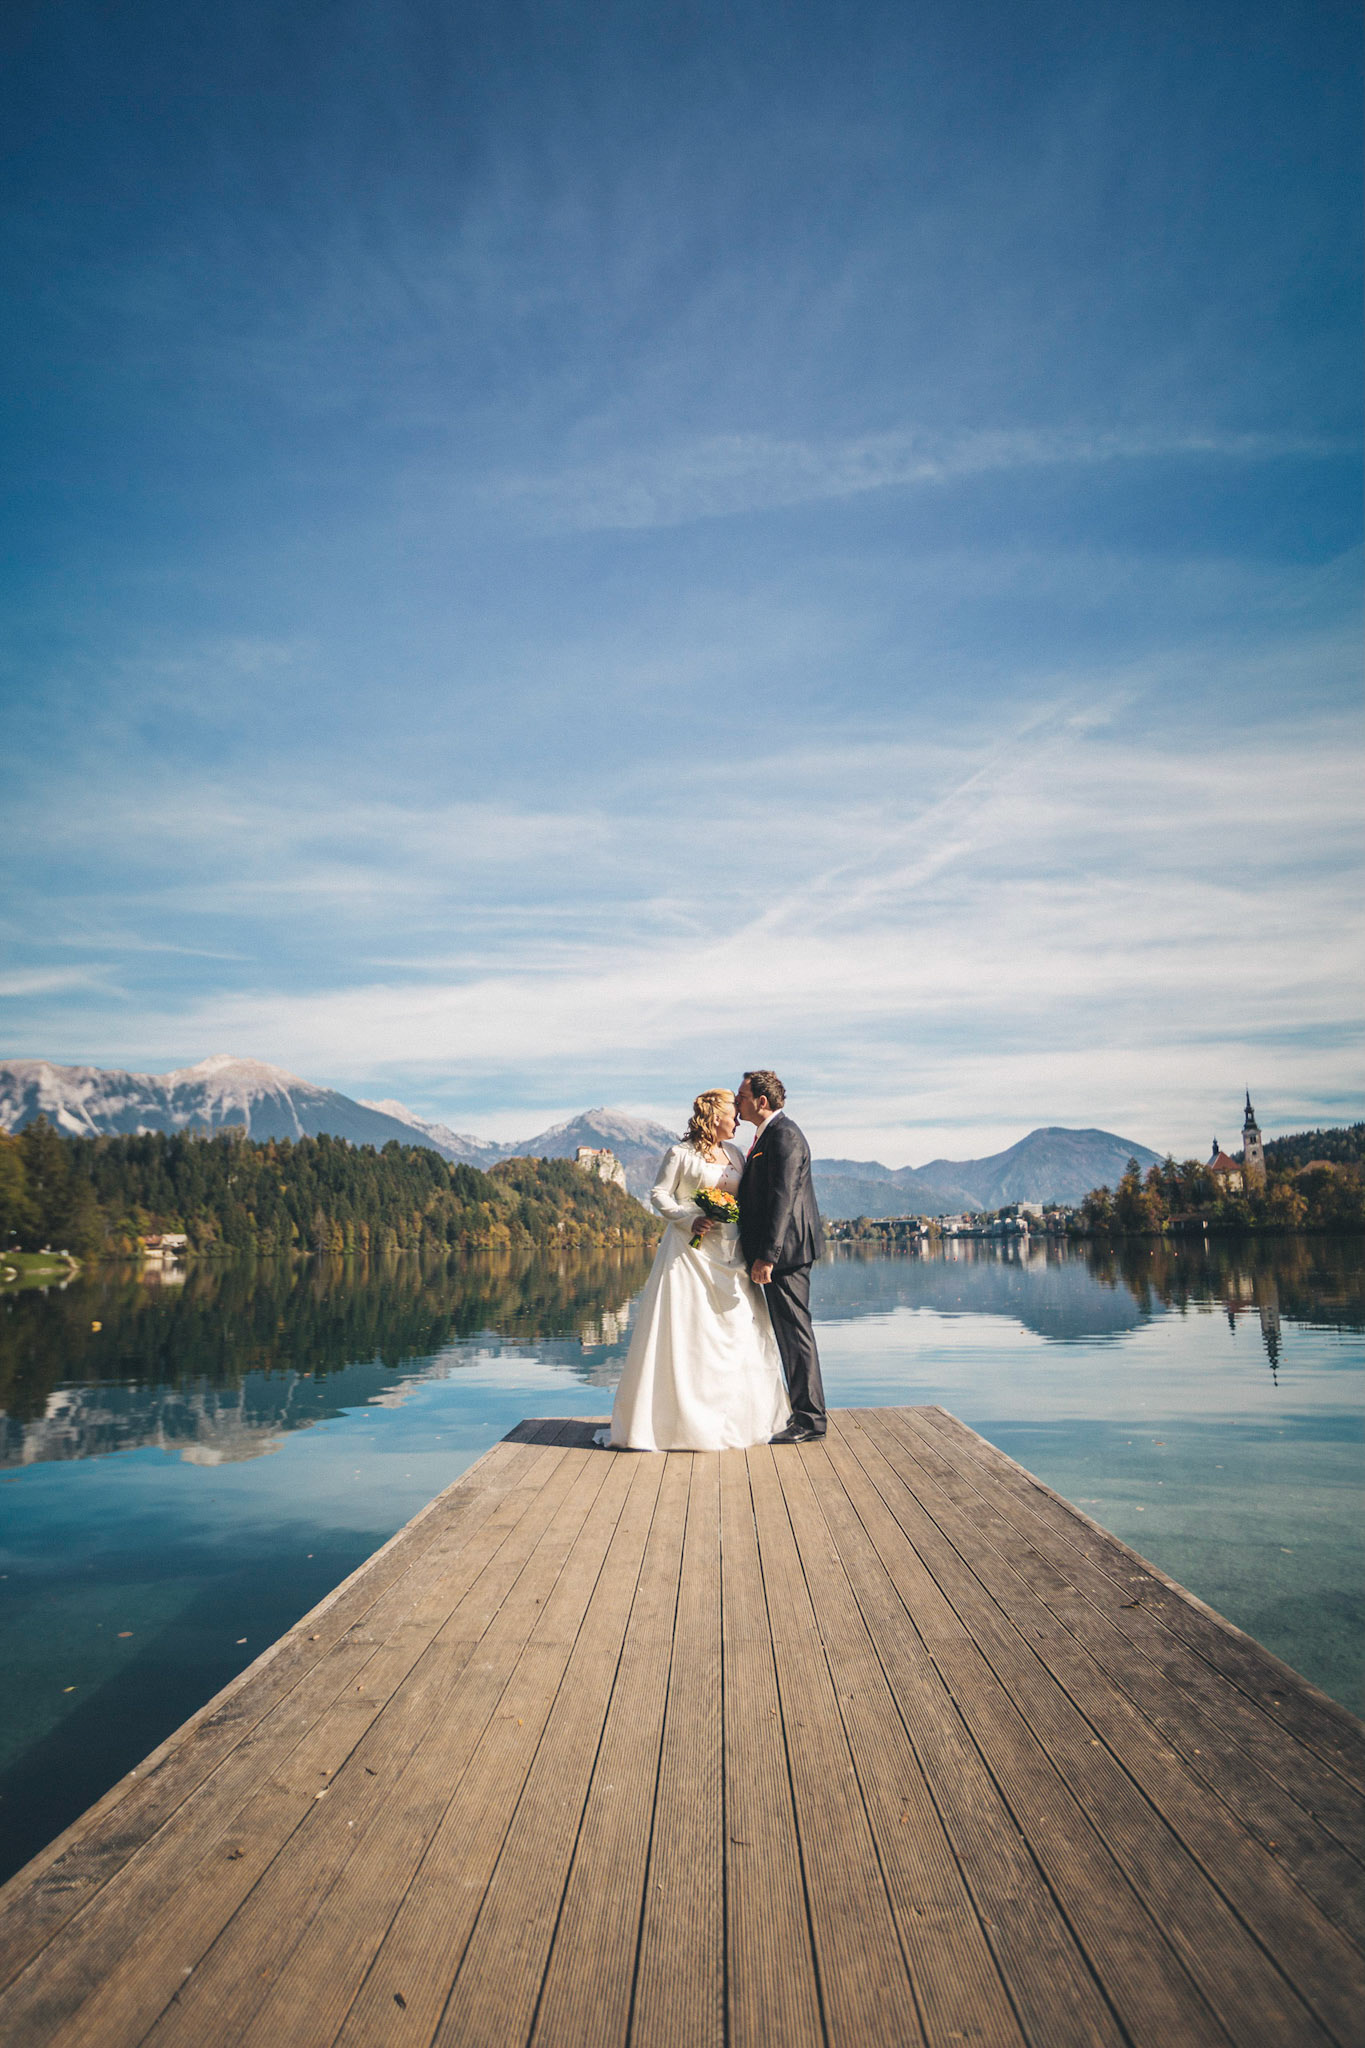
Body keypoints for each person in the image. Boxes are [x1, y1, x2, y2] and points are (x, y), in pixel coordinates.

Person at [598, 1088, 791, 1451]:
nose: (738, 1120)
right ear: (715, 1116)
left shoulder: (735, 1154)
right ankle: (681, 1423)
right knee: (690, 1332)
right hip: (689, 1257)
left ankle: (739, 1419)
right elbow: (659, 1194)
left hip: (732, 1255)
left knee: (737, 1331)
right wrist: (689, 1219)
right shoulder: (680, 1154)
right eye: (733, 1114)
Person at [735, 1069, 828, 1442]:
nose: (737, 1103)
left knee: (795, 1333)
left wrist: (768, 1256)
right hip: (781, 1252)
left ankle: (810, 1420)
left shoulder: (785, 1136)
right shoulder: (769, 1135)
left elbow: (782, 1199)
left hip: (786, 1254)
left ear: (761, 1101)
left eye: (741, 1097)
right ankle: (802, 1413)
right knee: (791, 1333)